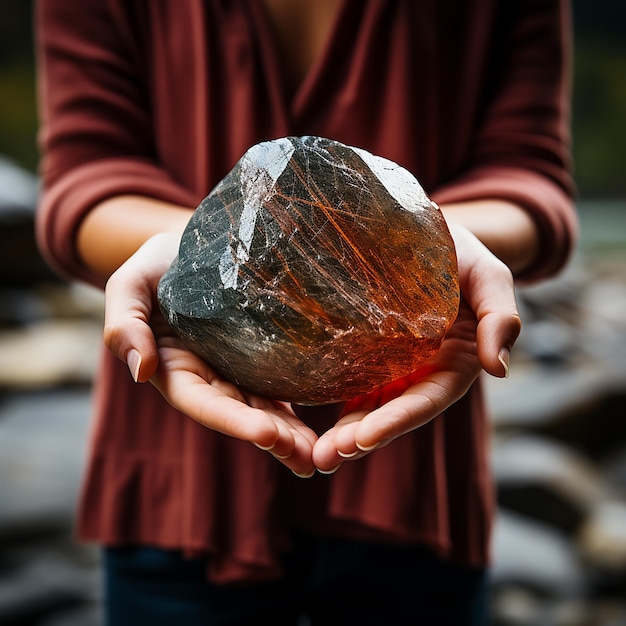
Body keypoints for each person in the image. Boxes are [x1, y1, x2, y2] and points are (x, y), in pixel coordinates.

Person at [35, 1, 577, 624]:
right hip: (180, 497)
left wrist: (441, 246)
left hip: (416, 492)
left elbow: (528, 175)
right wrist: (200, 250)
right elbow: (85, 178)